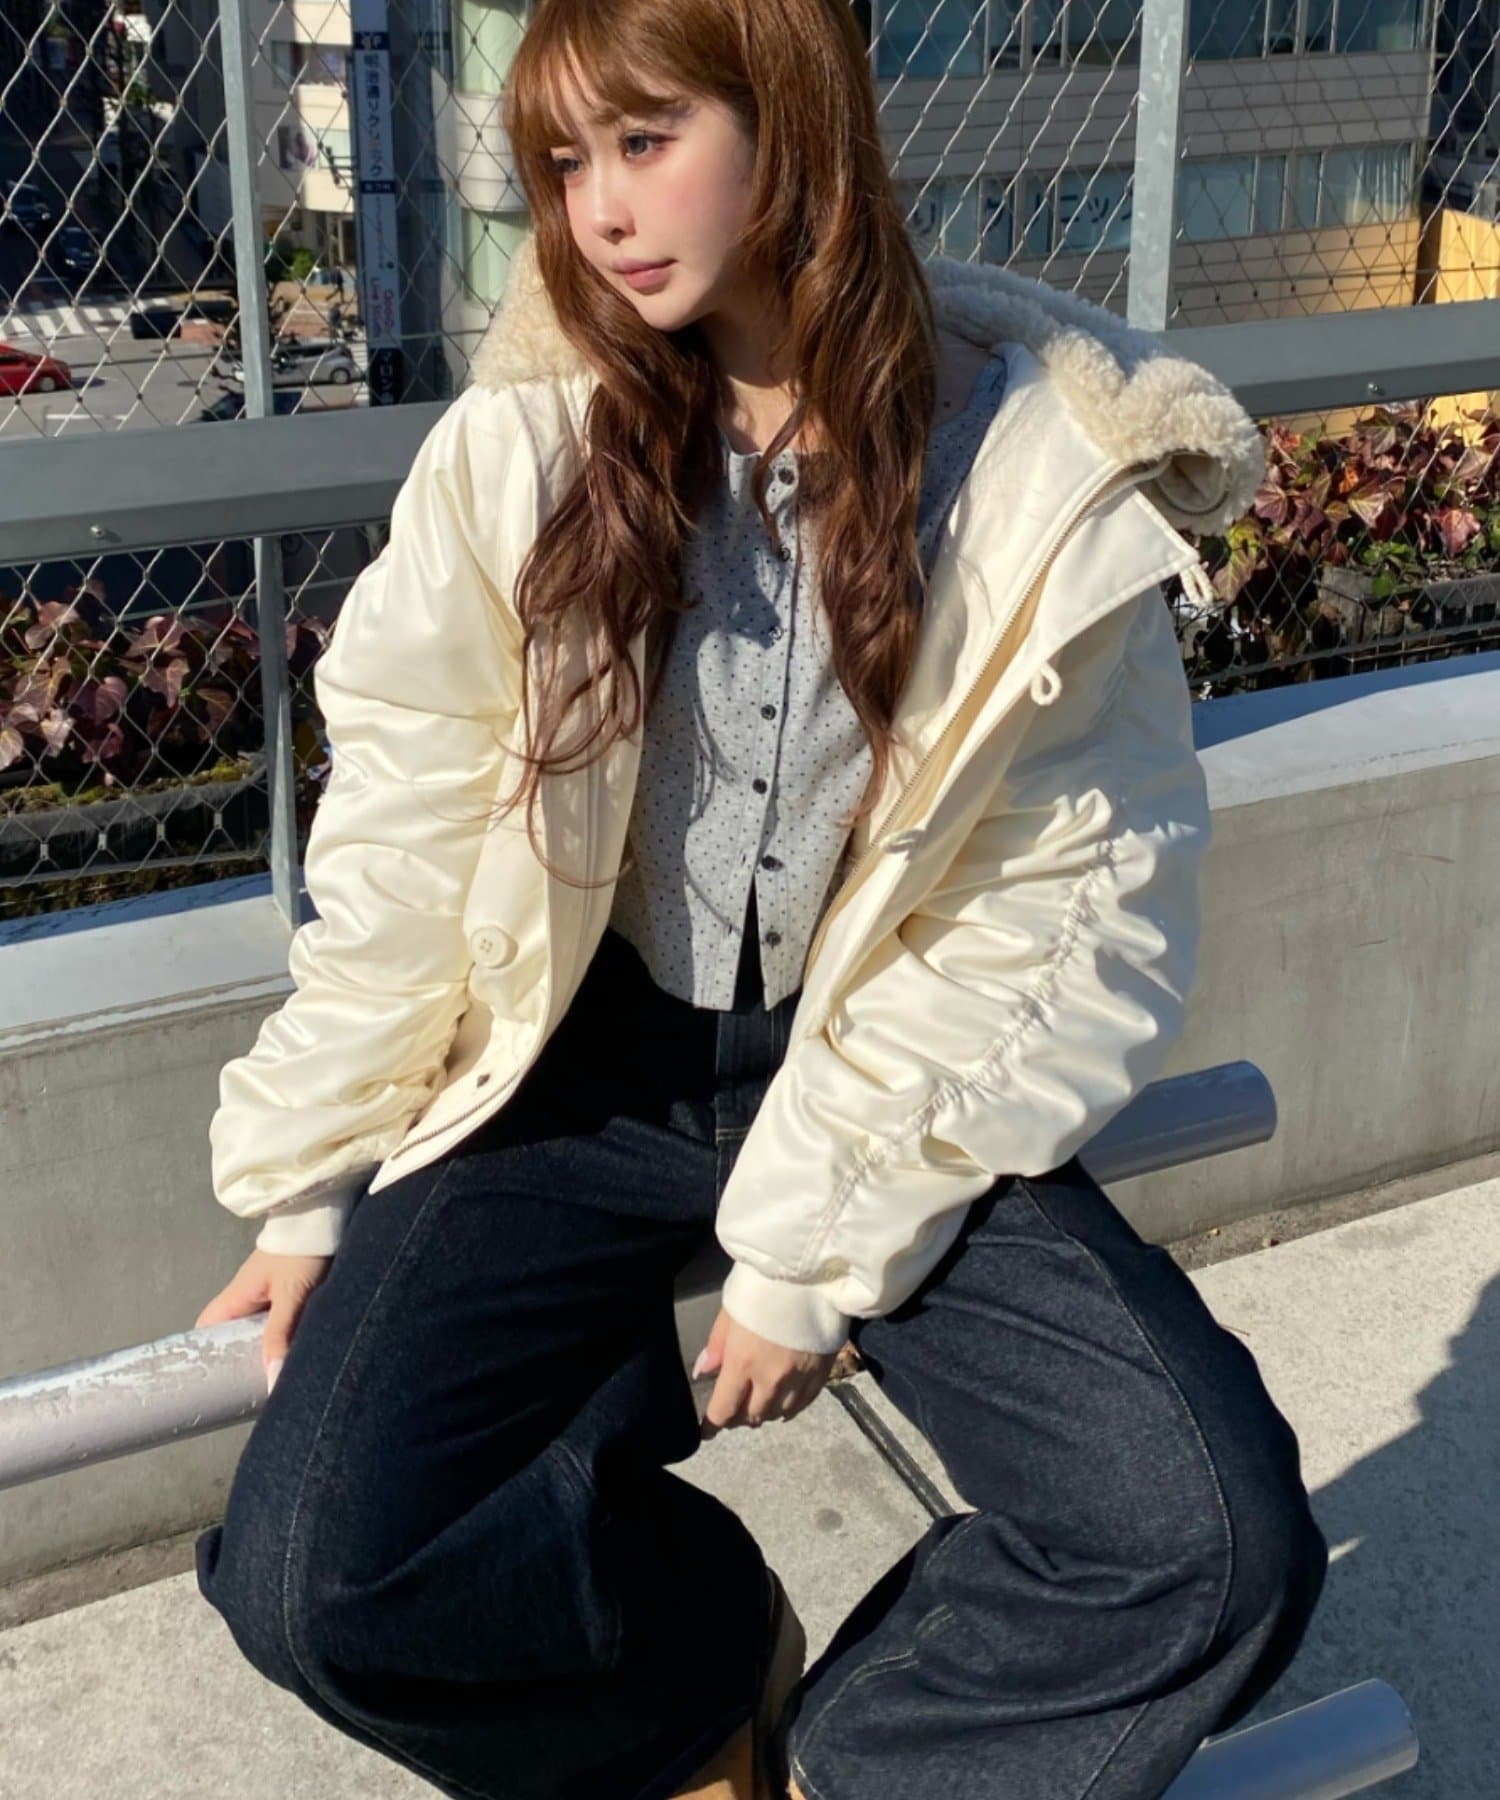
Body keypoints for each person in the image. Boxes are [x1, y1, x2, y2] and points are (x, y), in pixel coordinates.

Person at [190, 2, 1327, 1797]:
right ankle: (696, 1689)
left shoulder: (1031, 463)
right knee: (314, 1580)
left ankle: (854, 1765)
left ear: (789, 119)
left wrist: (812, 1249)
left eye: (647, 142)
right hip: (576, 1061)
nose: (598, 211)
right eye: (564, 163)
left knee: (1211, 1538)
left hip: (888, 1055)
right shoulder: (531, 437)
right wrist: (313, 1162)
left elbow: (1057, 899)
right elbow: (411, 816)